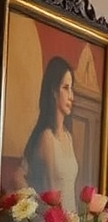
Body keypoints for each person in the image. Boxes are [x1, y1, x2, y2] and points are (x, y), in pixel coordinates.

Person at [23, 56, 79, 206]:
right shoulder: (46, 138)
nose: (71, 97)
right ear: (54, 91)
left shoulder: (68, 137)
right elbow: (51, 200)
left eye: (71, 89)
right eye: (66, 88)